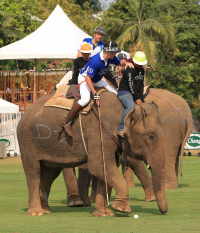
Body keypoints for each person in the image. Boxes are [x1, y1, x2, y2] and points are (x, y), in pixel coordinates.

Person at [62, 41, 134, 136]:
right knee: (85, 99)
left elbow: (120, 62)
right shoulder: (96, 60)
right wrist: (94, 92)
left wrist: (127, 63)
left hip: (97, 79)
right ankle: (67, 122)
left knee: (116, 93)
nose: (116, 54)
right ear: (108, 52)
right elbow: (88, 78)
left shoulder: (110, 58)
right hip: (85, 78)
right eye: (114, 52)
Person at [117, 51, 148, 137]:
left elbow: (141, 85)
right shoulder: (130, 69)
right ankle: (121, 129)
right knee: (130, 106)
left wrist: (141, 99)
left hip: (134, 93)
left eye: (141, 64)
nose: (139, 66)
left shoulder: (142, 70)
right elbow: (131, 85)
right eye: (138, 64)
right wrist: (136, 98)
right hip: (124, 92)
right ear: (134, 62)